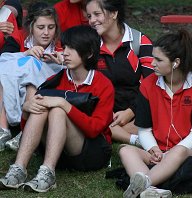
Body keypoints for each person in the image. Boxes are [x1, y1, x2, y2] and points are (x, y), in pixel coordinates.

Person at [0, 25, 114, 193]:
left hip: (91, 153)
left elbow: (94, 130)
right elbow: (28, 129)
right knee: (43, 105)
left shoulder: (103, 84)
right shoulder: (54, 80)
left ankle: (47, 173)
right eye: (65, 46)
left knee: (58, 109)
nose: (65, 52)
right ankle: (18, 169)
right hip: (56, 151)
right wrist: (26, 110)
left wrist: (64, 104)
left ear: (89, 53)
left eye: (72, 48)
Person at [119, 29, 192, 198]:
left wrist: (171, 153)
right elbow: (144, 129)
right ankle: (151, 192)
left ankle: (144, 184)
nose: (151, 63)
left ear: (176, 62)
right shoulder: (147, 85)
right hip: (159, 153)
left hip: (191, 153)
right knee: (126, 150)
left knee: (179, 151)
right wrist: (153, 148)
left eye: (158, 59)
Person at [85, 0, 154, 146]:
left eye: (97, 14)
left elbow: (152, 83)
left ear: (114, 13)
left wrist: (131, 111)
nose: (92, 21)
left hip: (139, 109)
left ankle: (111, 132)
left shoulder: (140, 42)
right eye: (89, 16)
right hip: (103, 111)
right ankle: (134, 139)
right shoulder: (89, 46)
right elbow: (86, 84)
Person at [0, 2, 63, 151]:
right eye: (40, 28)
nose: (46, 33)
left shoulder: (61, 45)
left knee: (31, 76)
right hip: (13, 85)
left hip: (39, 90)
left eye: (51, 27)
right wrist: (26, 53)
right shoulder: (19, 37)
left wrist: (62, 60)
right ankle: (3, 129)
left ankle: (25, 131)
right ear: (31, 28)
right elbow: (3, 59)